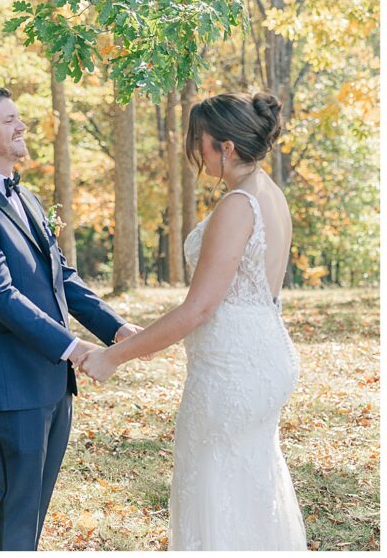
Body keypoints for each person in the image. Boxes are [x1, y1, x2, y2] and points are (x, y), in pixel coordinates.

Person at [80, 91, 306, 550]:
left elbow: (199, 308)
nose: (195, 152)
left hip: (232, 371)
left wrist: (113, 357)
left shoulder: (237, 205)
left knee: (215, 485)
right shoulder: (270, 194)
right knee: (249, 484)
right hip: (262, 354)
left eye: (199, 142)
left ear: (225, 146)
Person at [0, 87, 142, 551]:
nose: (22, 126)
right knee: (18, 506)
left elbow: (61, 276)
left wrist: (114, 328)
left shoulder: (26, 197)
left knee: (34, 507)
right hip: (10, 385)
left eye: (19, 117)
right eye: (9, 119)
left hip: (50, 381)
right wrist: (75, 348)